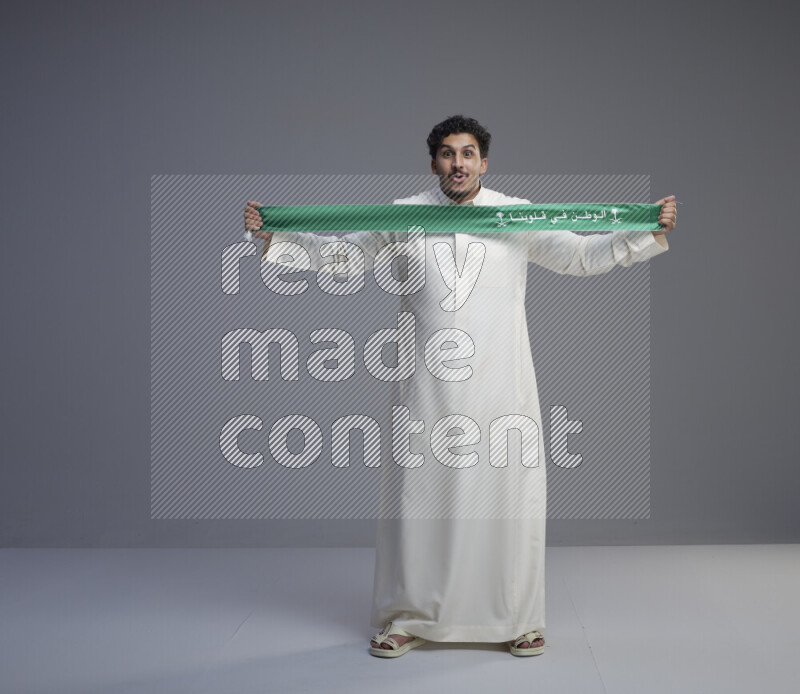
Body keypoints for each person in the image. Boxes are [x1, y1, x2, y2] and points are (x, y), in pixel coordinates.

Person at [245, 115, 677, 658]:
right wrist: (275, 238)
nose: (458, 163)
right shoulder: (403, 217)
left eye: (468, 153)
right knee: (419, 499)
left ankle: (517, 619)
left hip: (502, 385)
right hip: (424, 387)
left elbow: (577, 255)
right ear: (433, 163)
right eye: (447, 154)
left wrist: (645, 231)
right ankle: (407, 618)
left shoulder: (514, 214)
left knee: (506, 498)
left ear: (484, 162)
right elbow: (347, 256)